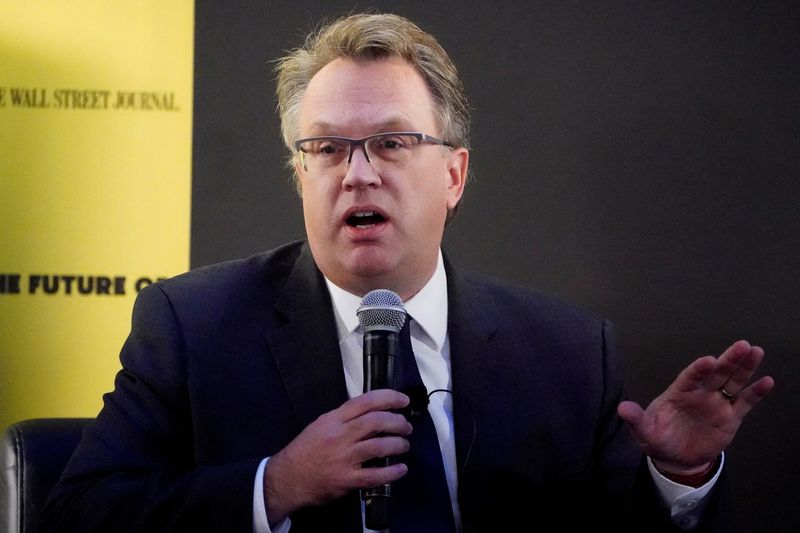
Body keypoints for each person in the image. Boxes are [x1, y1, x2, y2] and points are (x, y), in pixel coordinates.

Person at [41, 12, 774, 533]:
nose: (357, 175)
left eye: (391, 142)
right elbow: (78, 514)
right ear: (300, 174)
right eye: (326, 150)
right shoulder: (193, 326)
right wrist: (280, 484)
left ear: (454, 174)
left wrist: (677, 479)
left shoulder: (568, 353)